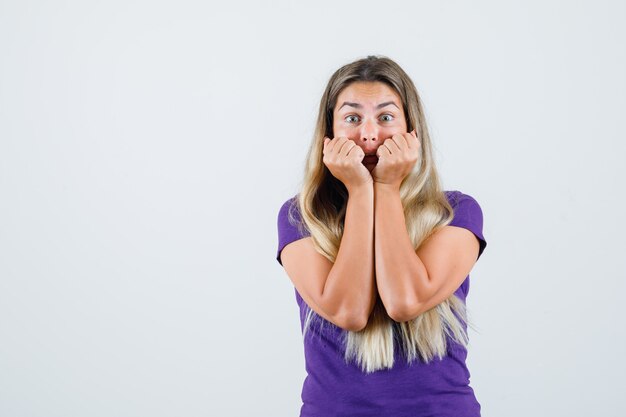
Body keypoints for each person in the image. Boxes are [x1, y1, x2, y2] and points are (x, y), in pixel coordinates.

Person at [275, 55, 487, 417]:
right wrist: (361, 193)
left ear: (411, 131)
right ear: (329, 134)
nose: (370, 134)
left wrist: (386, 187)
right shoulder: (301, 217)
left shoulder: (455, 213)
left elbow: (405, 301)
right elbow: (349, 311)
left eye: (386, 117)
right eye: (352, 118)